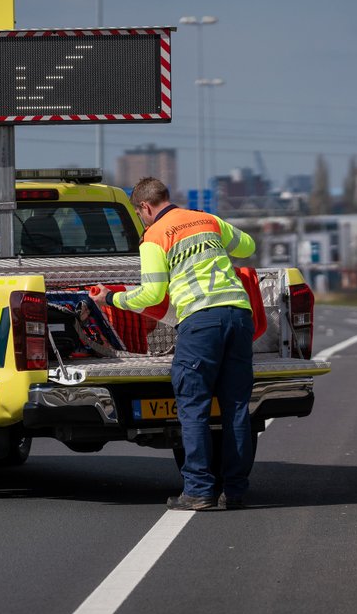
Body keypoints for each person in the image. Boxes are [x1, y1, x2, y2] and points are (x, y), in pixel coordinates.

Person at [89, 177, 256, 511]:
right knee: (236, 407)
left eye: (141, 215)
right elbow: (248, 247)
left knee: (192, 408)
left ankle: (198, 490)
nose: (143, 221)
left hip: (200, 320)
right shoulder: (208, 220)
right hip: (238, 315)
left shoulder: (155, 237)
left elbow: (151, 294)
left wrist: (113, 298)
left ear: (145, 208)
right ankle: (235, 491)